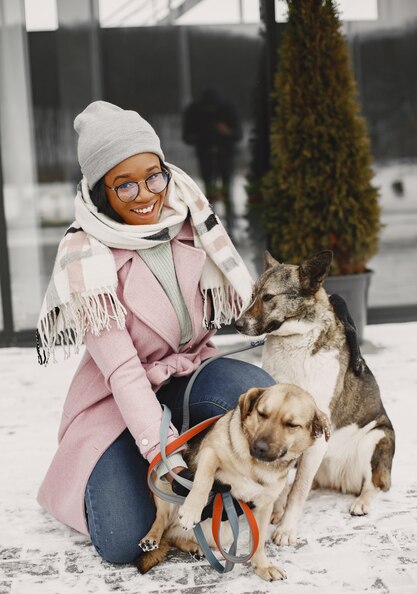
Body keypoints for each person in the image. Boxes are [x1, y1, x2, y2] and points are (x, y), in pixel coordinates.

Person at [36, 101, 276, 566]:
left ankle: (204, 474)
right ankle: (134, 471)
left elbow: (206, 327)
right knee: (125, 540)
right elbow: (124, 372)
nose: (145, 193)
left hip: (187, 374)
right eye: (124, 183)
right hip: (118, 406)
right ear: (102, 192)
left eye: (153, 175)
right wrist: (160, 452)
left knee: (259, 399)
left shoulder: (192, 219)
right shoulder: (85, 256)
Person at [182, 88, 242, 231]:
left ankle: (231, 226)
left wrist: (227, 132)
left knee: (227, 191)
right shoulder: (194, 110)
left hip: (225, 155)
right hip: (206, 155)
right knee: (209, 194)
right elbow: (187, 136)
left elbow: (238, 134)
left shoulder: (228, 108)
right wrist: (201, 137)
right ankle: (212, 227)